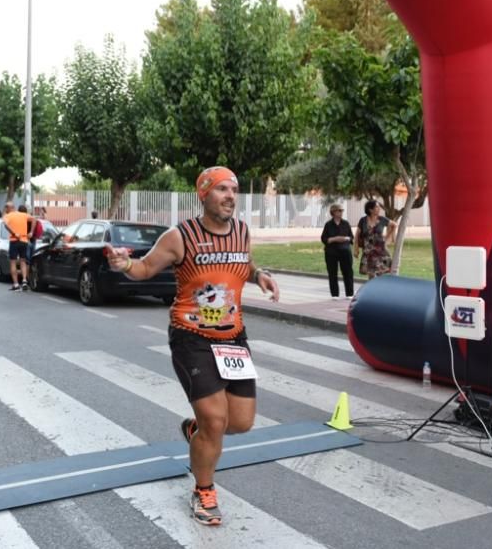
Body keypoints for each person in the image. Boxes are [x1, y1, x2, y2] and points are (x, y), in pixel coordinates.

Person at [106, 166, 279, 527]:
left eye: (234, 189)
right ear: (204, 195)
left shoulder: (243, 233)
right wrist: (125, 265)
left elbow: (242, 265)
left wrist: (259, 275)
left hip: (233, 338)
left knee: (241, 423)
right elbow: (145, 269)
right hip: (192, 337)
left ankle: (195, 431)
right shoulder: (180, 236)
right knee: (215, 422)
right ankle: (203, 491)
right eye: (221, 190)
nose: (231, 196)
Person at [354, 200, 396, 278]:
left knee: (381, 275)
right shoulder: (363, 220)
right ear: (370, 209)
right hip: (368, 252)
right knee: (371, 276)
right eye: (377, 207)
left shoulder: (382, 219)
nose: (379, 208)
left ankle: (380, 290)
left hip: (381, 252)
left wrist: (387, 238)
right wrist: (356, 249)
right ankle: (372, 290)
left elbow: (394, 225)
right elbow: (357, 235)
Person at [321, 204, 354, 299]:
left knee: (348, 272)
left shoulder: (346, 223)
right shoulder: (328, 225)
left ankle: (349, 293)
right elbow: (324, 238)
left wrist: (345, 238)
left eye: (341, 211)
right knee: (332, 272)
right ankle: (335, 294)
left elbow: (351, 237)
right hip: (331, 252)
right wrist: (333, 239)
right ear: (333, 212)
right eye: (339, 210)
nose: (341, 212)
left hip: (345, 250)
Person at [2, 202, 34, 291]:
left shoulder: (8, 216)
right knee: (23, 261)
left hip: (14, 240)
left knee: (13, 262)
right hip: (24, 241)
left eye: (6, 208)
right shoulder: (23, 215)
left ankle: (16, 284)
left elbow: (5, 224)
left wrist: (13, 233)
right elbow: (34, 219)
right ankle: (24, 281)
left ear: (8, 208)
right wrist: (31, 232)